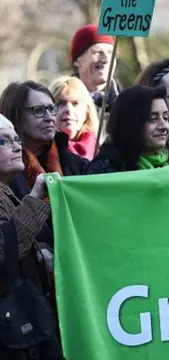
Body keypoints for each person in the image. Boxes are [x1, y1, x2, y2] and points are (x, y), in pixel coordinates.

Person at [0, 114, 63, 360]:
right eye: (3, 141)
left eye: (16, 138)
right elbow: (4, 249)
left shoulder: (7, 189)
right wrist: (36, 198)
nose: (17, 146)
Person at [0, 81, 88, 200]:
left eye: (51, 109)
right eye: (39, 110)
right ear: (16, 116)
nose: (50, 118)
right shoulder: (6, 170)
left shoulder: (77, 164)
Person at [86, 86, 169, 174]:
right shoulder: (105, 170)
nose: (164, 126)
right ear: (129, 123)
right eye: (152, 118)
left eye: (165, 117)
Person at [70, 24, 122, 113]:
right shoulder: (60, 105)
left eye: (111, 52)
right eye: (97, 52)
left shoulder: (129, 105)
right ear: (77, 61)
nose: (106, 59)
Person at [49, 76, 99, 160]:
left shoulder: (101, 152)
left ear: (87, 111)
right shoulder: (40, 152)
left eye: (75, 103)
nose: (68, 109)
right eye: (61, 103)